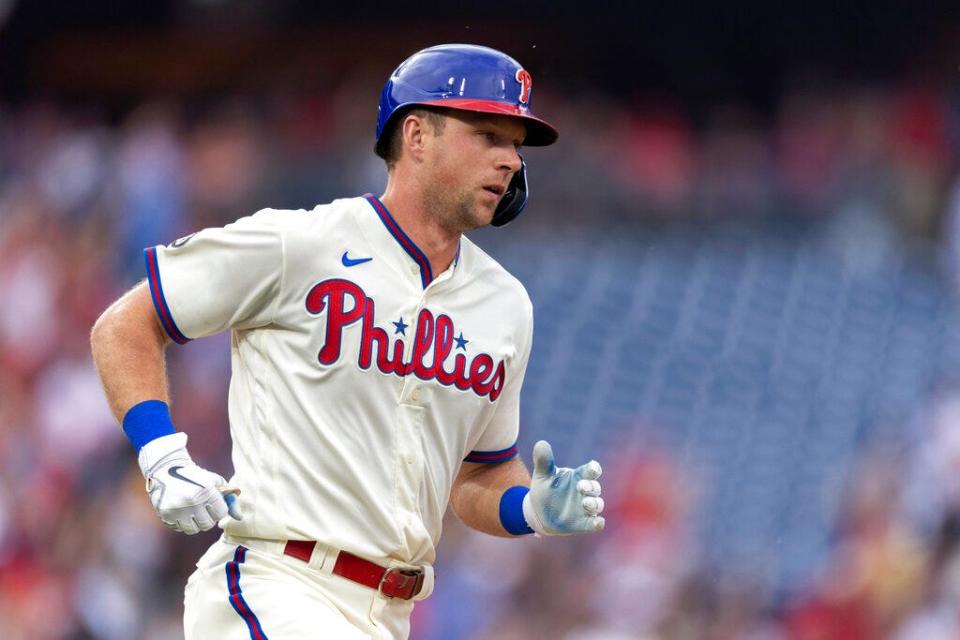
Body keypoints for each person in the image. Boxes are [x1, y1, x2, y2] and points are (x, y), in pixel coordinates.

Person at [91, 43, 605, 640]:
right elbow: (127, 323)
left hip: (391, 613)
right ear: (417, 135)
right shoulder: (300, 244)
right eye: (488, 135)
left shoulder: (505, 305)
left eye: (515, 145)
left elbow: (477, 478)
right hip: (277, 583)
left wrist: (530, 510)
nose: (510, 161)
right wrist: (161, 455)